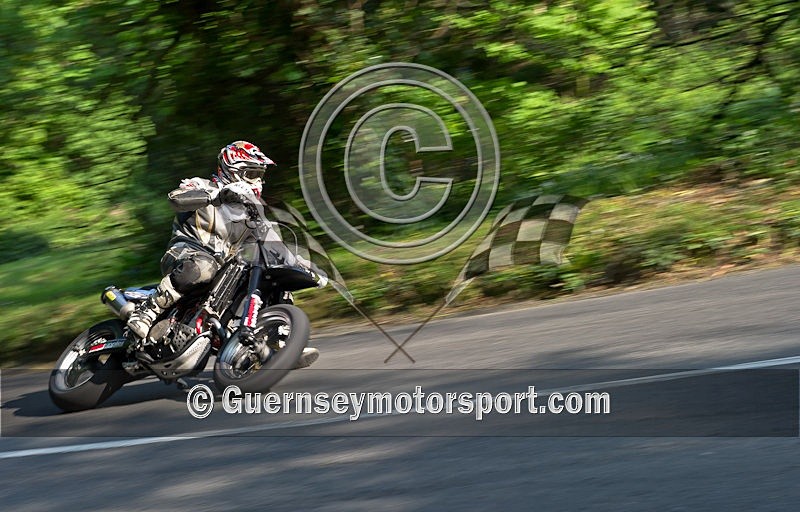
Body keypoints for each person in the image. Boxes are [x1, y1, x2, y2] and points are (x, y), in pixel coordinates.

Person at [126, 140, 319, 368]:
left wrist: (300, 263)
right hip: (185, 253)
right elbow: (175, 199)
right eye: (252, 173)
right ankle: (147, 311)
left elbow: (274, 245)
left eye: (260, 175)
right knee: (205, 266)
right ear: (232, 169)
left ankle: (280, 341)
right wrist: (218, 196)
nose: (258, 180)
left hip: (224, 272)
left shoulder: (252, 213)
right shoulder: (202, 185)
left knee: (275, 275)